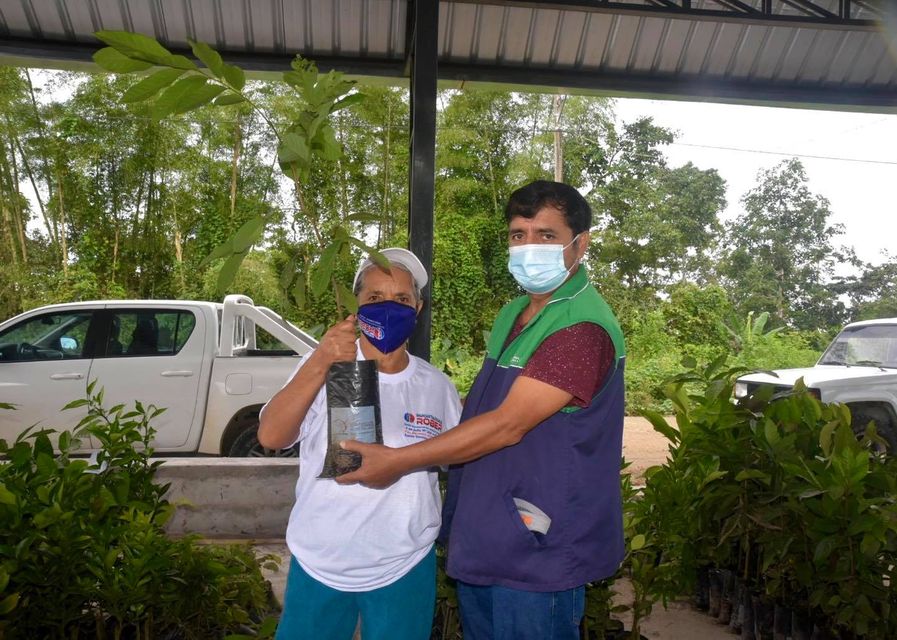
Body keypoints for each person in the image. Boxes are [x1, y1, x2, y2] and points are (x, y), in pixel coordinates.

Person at [339, 180, 626, 640]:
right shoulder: (514, 313)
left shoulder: (580, 328)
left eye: (546, 235)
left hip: (539, 540)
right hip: (491, 528)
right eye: (518, 235)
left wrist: (397, 460)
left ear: (580, 244)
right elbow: (482, 407)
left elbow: (506, 425)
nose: (529, 247)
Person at [258, 247, 462, 640]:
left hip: (404, 561)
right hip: (321, 559)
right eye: (375, 297)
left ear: (418, 308)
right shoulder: (321, 367)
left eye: (402, 298)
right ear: (357, 306)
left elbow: (453, 458)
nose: (389, 307)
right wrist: (321, 361)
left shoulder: (436, 386)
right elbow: (271, 436)